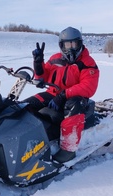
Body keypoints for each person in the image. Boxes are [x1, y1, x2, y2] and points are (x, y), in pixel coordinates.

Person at [23, 26, 100, 163]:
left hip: (76, 98)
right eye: (67, 44)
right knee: (26, 105)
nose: (70, 48)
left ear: (80, 44)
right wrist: (38, 63)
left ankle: (68, 150)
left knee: (73, 105)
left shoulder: (87, 63)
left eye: (74, 44)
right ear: (61, 45)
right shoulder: (55, 59)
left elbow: (88, 87)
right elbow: (42, 76)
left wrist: (64, 95)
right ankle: (25, 139)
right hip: (54, 94)